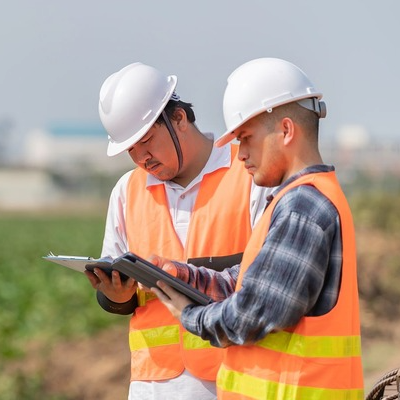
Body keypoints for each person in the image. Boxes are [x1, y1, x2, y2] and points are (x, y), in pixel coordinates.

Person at [150, 57, 364, 399]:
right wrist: (184, 276)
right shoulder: (293, 201)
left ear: (286, 130)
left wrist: (191, 316)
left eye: (246, 138)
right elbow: (246, 283)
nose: (240, 154)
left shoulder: (303, 207)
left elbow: (254, 312)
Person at [85, 62, 269, 399]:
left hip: (233, 378)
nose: (142, 157)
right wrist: (115, 296)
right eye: (131, 150)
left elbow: (264, 280)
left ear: (180, 118)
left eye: (147, 141)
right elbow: (118, 293)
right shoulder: (127, 191)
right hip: (152, 384)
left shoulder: (248, 175)